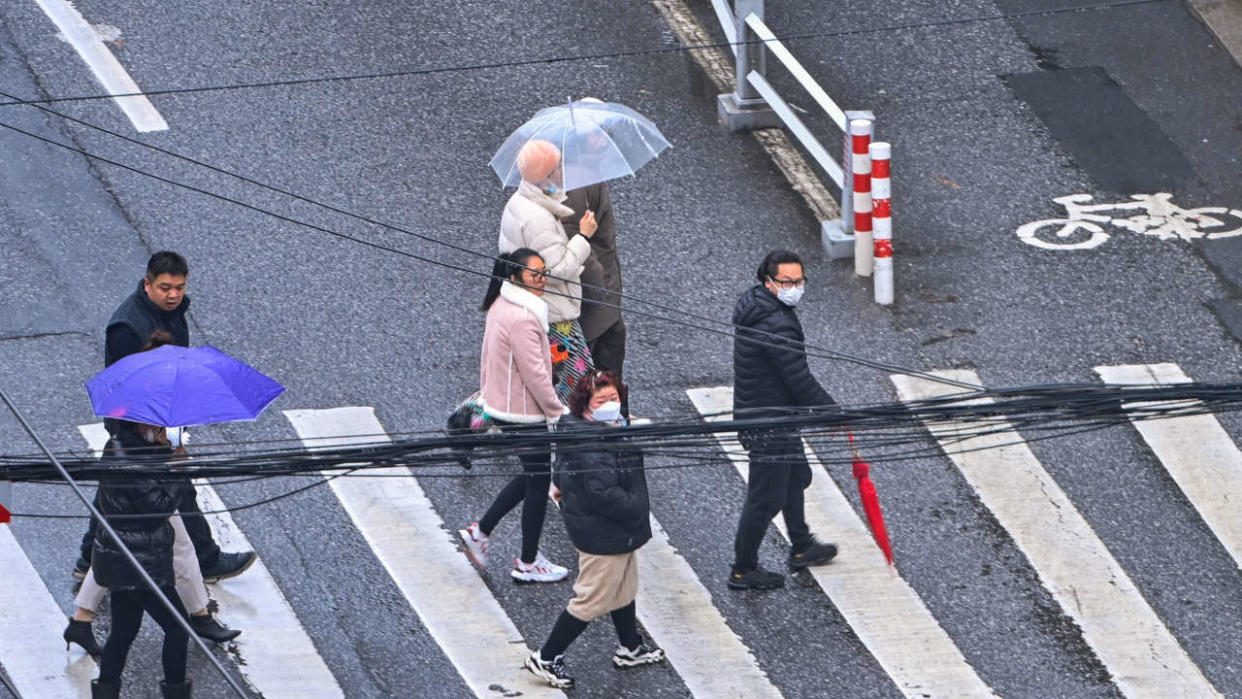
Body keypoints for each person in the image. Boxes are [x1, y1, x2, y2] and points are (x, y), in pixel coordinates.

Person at [75, 252, 256, 585]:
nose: (173, 294)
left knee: (118, 492)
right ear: (148, 284)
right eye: (165, 287)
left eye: (179, 287)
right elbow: (129, 386)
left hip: (166, 417)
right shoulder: (129, 326)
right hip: (141, 424)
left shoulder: (172, 314)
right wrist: (169, 438)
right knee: (178, 487)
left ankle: (88, 557)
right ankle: (206, 559)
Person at [65, 332, 238, 657]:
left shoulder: (148, 388)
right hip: (143, 483)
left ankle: (81, 620)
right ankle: (199, 615)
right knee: (180, 547)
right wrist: (174, 451)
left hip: (134, 478)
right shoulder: (148, 397)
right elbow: (147, 439)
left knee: (113, 548)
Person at [524, 371, 665, 689]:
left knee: (623, 588)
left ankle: (630, 647)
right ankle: (546, 657)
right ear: (586, 405)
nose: (609, 405)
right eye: (601, 400)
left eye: (614, 398)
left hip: (612, 530)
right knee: (591, 599)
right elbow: (605, 495)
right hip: (604, 533)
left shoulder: (590, 429)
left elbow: (560, 476)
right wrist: (636, 506)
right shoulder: (593, 443)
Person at [459, 249, 571, 583]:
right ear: (514, 277)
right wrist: (557, 412)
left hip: (502, 405)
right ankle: (527, 562)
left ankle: (481, 531)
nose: (542, 279)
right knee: (537, 483)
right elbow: (536, 374)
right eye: (534, 274)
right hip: (523, 412)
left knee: (533, 474)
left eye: (543, 271)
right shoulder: (523, 317)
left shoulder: (501, 305)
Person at [729, 250, 839, 590]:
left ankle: (802, 544)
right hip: (768, 423)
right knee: (765, 499)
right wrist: (833, 413)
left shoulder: (757, 304)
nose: (794, 288)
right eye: (786, 282)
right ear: (769, 282)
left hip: (770, 415)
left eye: (798, 281)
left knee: (795, 478)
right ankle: (743, 569)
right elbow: (799, 380)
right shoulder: (776, 322)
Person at [89, 419, 194, 699]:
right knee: (177, 627)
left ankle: (106, 690)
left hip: (123, 557)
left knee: (124, 631)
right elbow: (156, 508)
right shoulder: (130, 463)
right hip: (139, 561)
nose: (169, 435)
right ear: (143, 428)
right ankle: (176, 692)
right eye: (163, 430)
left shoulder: (121, 446)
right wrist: (178, 469)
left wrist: (168, 457)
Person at [499, 139, 597, 403]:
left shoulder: (520, 203)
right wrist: (583, 237)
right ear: (547, 175)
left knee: (531, 379)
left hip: (535, 308)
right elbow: (557, 270)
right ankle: (567, 431)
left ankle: (475, 416)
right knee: (580, 379)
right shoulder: (538, 220)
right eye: (559, 166)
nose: (564, 170)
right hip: (555, 316)